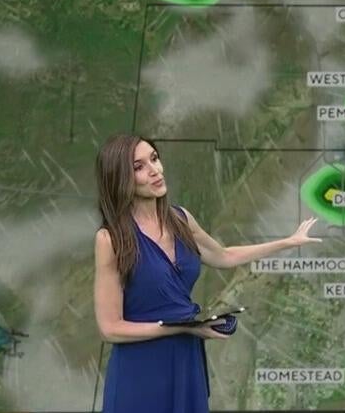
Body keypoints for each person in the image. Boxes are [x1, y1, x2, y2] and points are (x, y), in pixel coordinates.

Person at [93, 134, 321, 413]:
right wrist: (179, 327)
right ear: (121, 179)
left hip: (186, 359)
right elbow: (110, 328)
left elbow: (224, 256)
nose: (154, 170)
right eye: (139, 167)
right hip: (140, 370)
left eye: (154, 158)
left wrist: (287, 242)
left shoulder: (181, 220)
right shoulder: (111, 239)